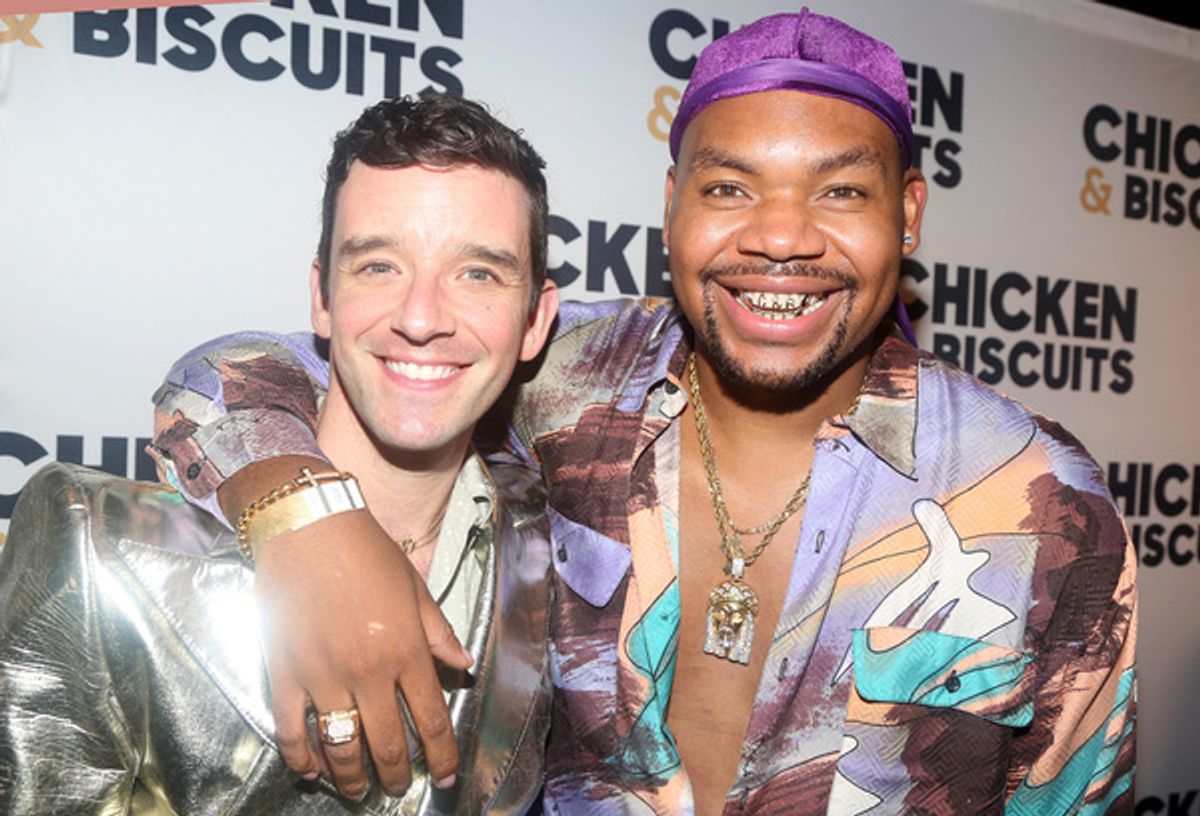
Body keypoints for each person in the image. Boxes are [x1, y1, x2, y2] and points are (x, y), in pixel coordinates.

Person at [145, 10, 1137, 815]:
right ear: (672, 204)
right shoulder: (574, 373)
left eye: (839, 191)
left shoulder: (1043, 500)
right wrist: (306, 522)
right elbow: (246, 369)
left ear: (908, 212)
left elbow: (1079, 798)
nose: (782, 237)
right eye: (730, 188)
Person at [0, 94, 559, 813]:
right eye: (378, 266)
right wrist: (302, 514)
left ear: (537, 320)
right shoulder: (99, 553)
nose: (422, 318)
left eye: (478, 273)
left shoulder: (553, 545)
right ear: (321, 297)